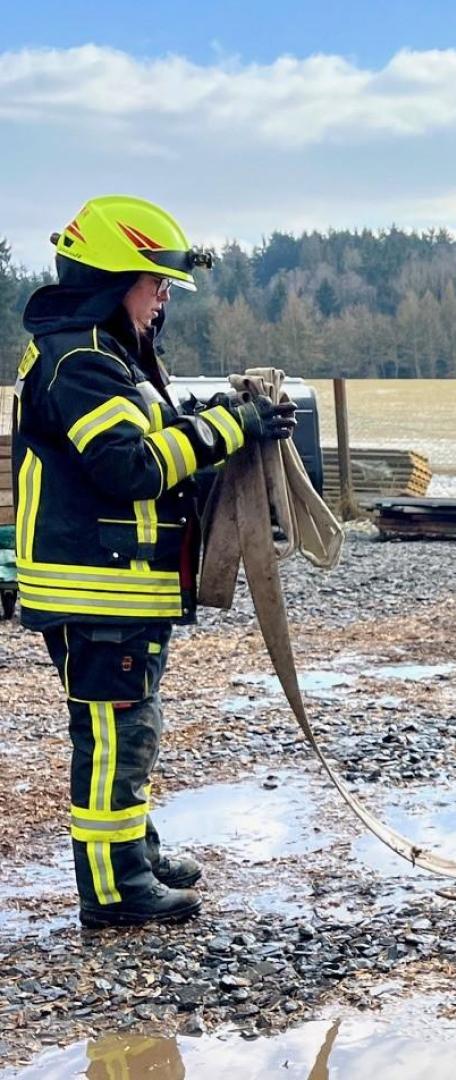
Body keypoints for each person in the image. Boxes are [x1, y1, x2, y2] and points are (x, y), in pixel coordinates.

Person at [11, 195, 296, 929]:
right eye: (155, 283)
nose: (164, 299)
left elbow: (158, 433)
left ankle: (132, 848)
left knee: (131, 728)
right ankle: (112, 889)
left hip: (119, 587)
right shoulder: (79, 359)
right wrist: (227, 427)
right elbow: (129, 466)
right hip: (96, 588)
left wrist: (230, 420)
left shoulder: (106, 354)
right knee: (115, 735)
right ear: (112, 279)